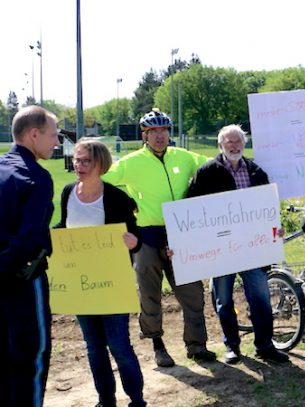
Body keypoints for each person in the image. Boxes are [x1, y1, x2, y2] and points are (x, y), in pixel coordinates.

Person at [102, 109, 213, 367]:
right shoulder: (131, 162)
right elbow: (102, 179)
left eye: (164, 131)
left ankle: (197, 345)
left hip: (181, 234)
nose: (160, 136)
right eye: (154, 132)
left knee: (193, 292)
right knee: (150, 294)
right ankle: (158, 345)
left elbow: (213, 166)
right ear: (145, 135)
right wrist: (125, 201)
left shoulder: (183, 157)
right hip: (148, 235)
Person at [186, 124, 289, 364]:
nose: (234, 146)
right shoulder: (207, 172)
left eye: (238, 141)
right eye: (229, 142)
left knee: (261, 299)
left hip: (253, 249)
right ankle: (232, 346)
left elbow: (268, 209)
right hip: (221, 251)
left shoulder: (256, 172)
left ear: (244, 144)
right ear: (220, 145)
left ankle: (265, 345)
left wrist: (275, 226)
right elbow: (190, 208)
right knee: (224, 300)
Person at [56, 140, 146, 407]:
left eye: (85, 161)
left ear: (100, 165)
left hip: (112, 284)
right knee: (94, 348)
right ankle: (105, 400)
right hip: (80, 285)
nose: (78, 165)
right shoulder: (68, 192)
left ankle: (137, 401)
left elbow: (135, 236)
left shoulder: (116, 198)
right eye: (76, 160)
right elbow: (65, 225)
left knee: (119, 346)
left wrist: (134, 242)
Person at [0, 106, 59, 407]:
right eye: (53, 135)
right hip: (22, 281)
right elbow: (29, 239)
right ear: (34, 134)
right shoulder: (35, 176)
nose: (57, 142)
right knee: (31, 356)